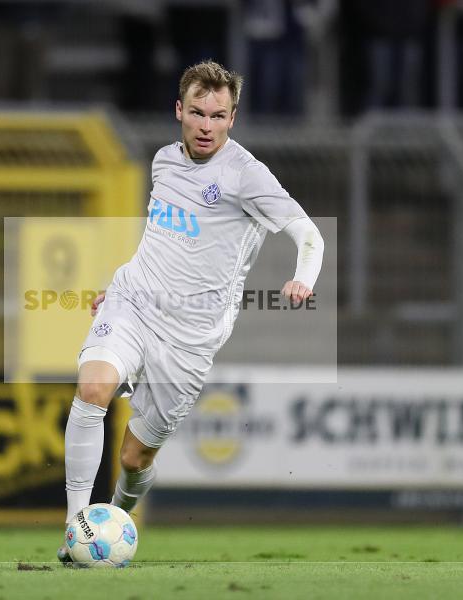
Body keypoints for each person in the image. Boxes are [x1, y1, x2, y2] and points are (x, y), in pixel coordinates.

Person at [57, 61, 324, 563]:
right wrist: (122, 283)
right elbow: (162, 238)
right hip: (134, 302)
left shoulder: (247, 176)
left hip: (190, 340)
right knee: (92, 389)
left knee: (134, 459)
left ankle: (117, 512)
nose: (206, 126)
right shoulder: (163, 161)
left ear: (232, 118)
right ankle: (76, 530)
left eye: (218, 116)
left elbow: (310, 234)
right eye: (197, 113)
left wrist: (302, 280)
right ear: (179, 110)